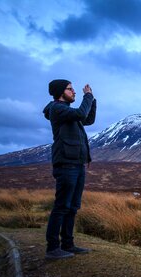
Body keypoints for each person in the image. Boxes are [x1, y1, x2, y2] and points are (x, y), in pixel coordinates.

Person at [42, 79, 97, 259]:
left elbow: (87, 119)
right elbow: (82, 113)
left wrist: (92, 99)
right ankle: (52, 248)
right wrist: (87, 96)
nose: (74, 92)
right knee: (62, 206)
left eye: (73, 89)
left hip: (77, 164)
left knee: (72, 207)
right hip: (66, 164)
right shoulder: (57, 109)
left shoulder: (68, 112)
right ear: (60, 92)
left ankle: (68, 244)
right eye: (70, 89)